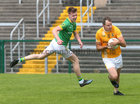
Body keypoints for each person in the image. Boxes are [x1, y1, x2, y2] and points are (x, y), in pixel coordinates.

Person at [10, 7, 93, 87]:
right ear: (69, 15)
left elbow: (75, 33)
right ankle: (81, 81)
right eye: (73, 15)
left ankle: (19, 60)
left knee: (40, 56)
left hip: (54, 44)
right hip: (59, 46)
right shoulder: (67, 23)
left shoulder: (73, 23)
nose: (75, 17)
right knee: (75, 60)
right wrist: (58, 40)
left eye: (76, 15)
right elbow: (54, 30)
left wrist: (79, 41)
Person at [95, 17, 126, 95]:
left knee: (118, 76)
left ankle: (116, 91)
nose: (110, 26)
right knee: (114, 76)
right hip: (107, 57)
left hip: (118, 55)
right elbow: (98, 48)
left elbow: (124, 44)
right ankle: (110, 78)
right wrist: (106, 46)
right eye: (108, 25)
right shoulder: (99, 33)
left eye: (111, 24)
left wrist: (117, 42)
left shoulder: (116, 30)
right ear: (103, 25)